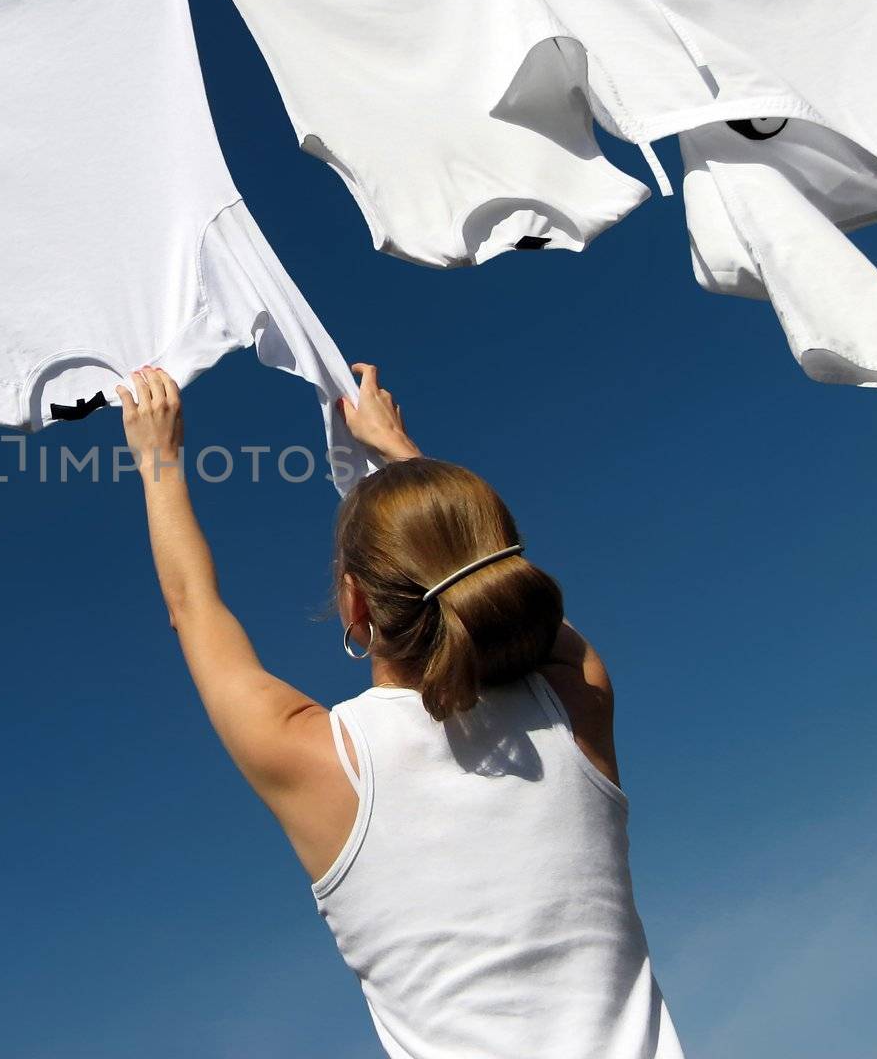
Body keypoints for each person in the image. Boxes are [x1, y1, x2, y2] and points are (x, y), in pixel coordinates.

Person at [116, 364, 683, 1059]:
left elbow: (191, 607)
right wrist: (398, 453)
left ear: (355, 605)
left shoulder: (314, 759)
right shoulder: (574, 699)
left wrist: (157, 459)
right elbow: (495, 578)